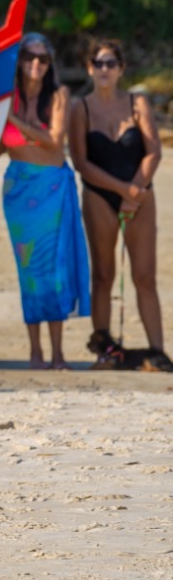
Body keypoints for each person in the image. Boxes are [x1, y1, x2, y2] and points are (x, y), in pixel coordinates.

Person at [67, 39, 171, 371]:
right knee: (103, 275)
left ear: (121, 69)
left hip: (141, 192)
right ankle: (105, 348)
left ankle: (158, 350)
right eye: (99, 63)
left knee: (145, 276)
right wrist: (121, 191)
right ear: (89, 68)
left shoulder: (136, 102)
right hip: (100, 194)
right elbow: (81, 162)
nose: (105, 70)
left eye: (111, 63)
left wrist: (134, 191)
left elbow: (154, 150)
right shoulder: (80, 108)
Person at [0, 33, 88, 369]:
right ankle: (35, 351)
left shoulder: (59, 95)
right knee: (29, 271)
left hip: (51, 190)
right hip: (19, 191)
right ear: (20, 61)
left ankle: (58, 352)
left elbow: (54, 141)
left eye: (43, 59)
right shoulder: (7, 97)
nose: (35, 64)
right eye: (29, 57)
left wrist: (15, 121)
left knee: (54, 269)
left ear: (50, 64)